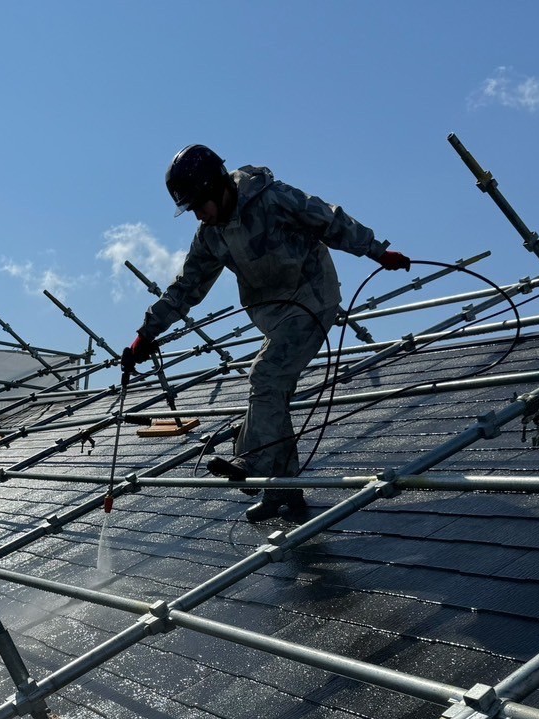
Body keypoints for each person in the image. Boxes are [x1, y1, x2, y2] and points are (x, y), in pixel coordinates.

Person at [120, 144, 410, 523]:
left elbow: (327, 219)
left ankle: (253, 458)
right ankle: (282, 492)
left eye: (201, 203)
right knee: (272, 395)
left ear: (220, 186)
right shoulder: (211, 235)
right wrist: (146, 334)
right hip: (274, 315)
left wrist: (375, 251)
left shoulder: (271, 198)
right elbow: (185, 287)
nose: (200, 213)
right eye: (192, 208)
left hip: (312, 297)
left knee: (266, 374)